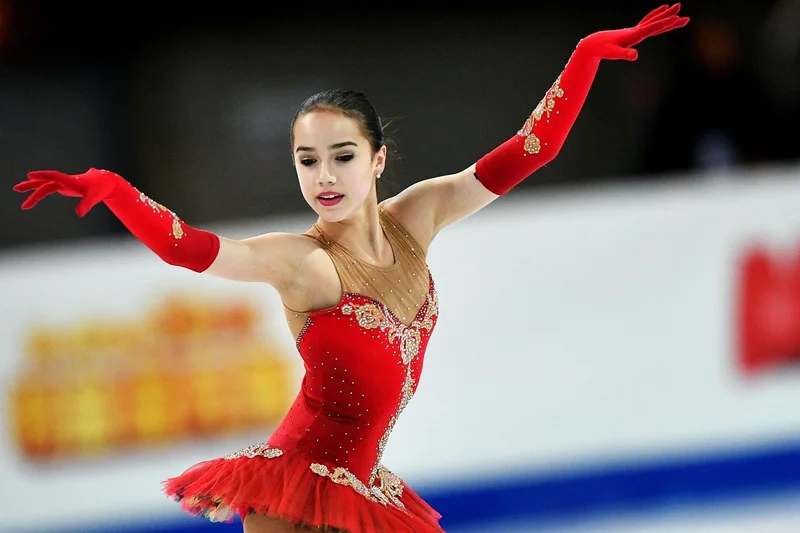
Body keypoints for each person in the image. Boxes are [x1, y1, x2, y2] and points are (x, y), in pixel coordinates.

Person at [13, 5, 688, 532]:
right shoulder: (304, 264)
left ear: (378, 158)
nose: (324, 176)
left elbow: (527, 152)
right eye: (307, 161)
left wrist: (584, 57)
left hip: (365, 490)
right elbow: (188, 248)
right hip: (293, 492)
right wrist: (115, 190)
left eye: (342, 156)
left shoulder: (417, 217)